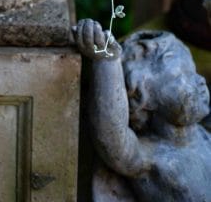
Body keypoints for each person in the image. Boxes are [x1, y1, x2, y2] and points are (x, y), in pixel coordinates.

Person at [74, 19, 211, 201]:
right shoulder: (152, 158)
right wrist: (107, 61)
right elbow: (112, 137)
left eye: (193, 72)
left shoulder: (205, 137)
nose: (199, 80)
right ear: (144, 98)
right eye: (182, 75)